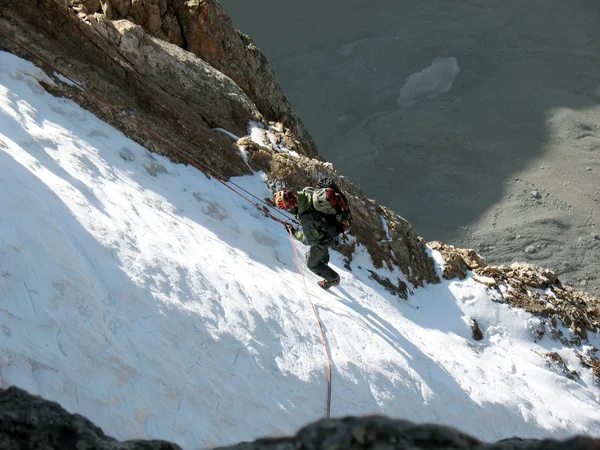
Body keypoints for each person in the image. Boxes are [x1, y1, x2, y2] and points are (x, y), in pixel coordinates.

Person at [274, 189, 341, 290]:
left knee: (311, 264)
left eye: (286, 207)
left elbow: (310, 240)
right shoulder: (306, 192)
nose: (288, 209)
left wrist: (294, 232)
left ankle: (333, 279)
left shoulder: (305, 216)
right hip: (331, 227)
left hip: (324, 240)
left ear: (290, 205)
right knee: (316, 251)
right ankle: (324, 261)